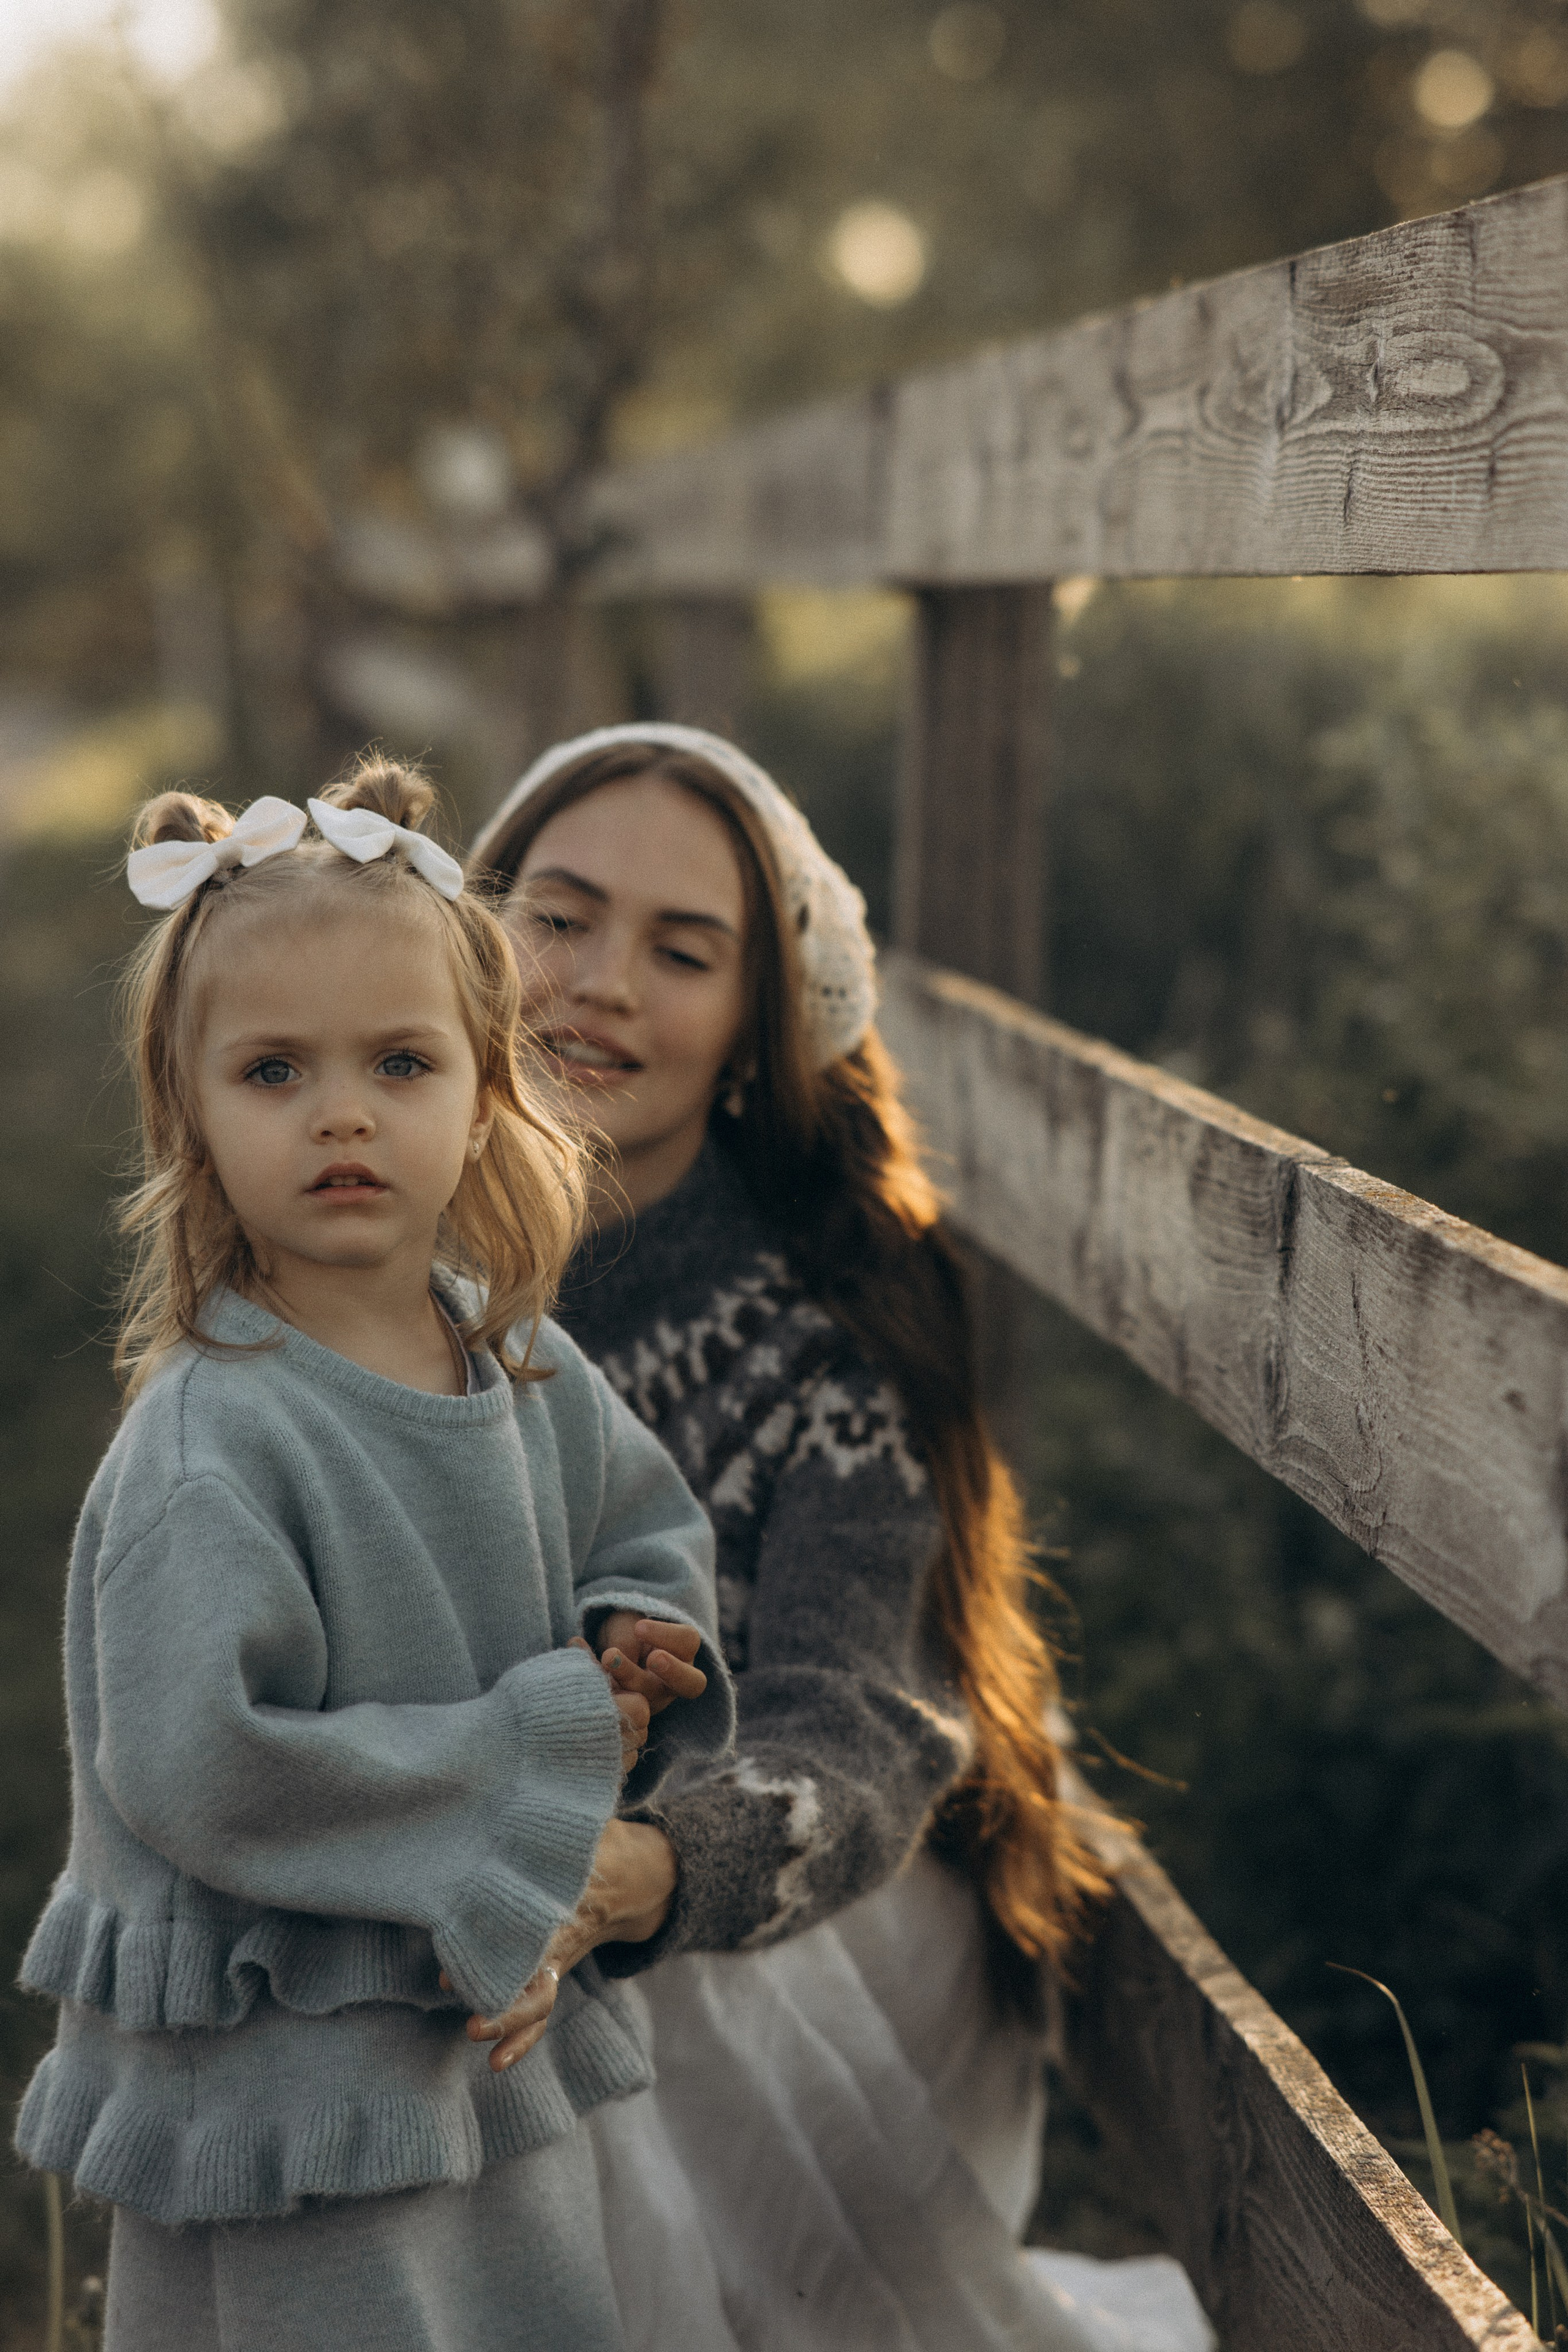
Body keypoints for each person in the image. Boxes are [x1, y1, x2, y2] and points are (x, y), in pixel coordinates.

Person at [467, 725, 1216, 2352]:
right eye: (561, 915)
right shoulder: (377, 1239)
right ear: (473, 930)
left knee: (589, 1977)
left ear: (755, 1028)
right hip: (505, 1856)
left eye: (682, 951)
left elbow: (857, 1728)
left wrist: (649, 1876)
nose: (598, 983)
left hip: (800, 1907)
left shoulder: (826, 1339)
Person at [14, 759, 734, 2352]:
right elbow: (203, 1762)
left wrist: (637, 1630)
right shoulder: (219, 1442)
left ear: (485, 1087)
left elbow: (644, 1522)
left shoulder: (516, 1359)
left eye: (399, 1062)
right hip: (294, 2070)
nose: (342, 1112)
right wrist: (535, 1764)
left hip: (469, 2019)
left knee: (517, 2296)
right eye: (274, 1072)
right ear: (189, 1111)